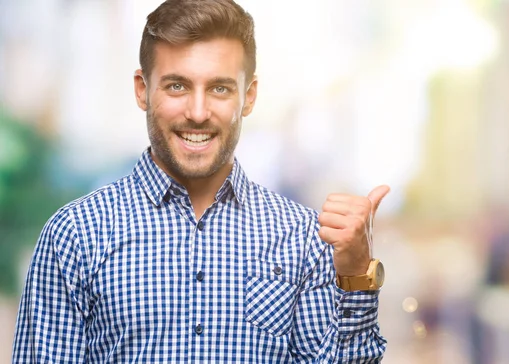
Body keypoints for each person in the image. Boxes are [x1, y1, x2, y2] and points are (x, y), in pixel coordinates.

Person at [12, 0, 389, 362]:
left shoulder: (305, 237)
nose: (197, 112)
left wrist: (356, 277)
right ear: (142, 89)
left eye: (219, 88)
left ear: (249, 96)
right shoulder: (76, 235)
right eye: (177, 86)